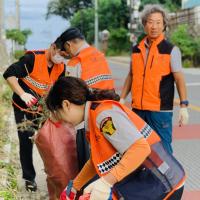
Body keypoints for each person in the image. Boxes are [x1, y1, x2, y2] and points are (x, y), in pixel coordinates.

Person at [45, 76, 185, 200]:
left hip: (162, 183)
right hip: (152, 181)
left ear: (66, 105)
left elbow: (140, 148)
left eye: (58, 115)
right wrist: (75, 186)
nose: (61, 122)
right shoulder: (93, 116)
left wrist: (106, 182)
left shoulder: (103, 117)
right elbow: (96, 159)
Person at [120, 4, 189, 154]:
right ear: (144, 24)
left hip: (160, 111)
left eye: (158, 22)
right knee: (139, 151)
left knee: (163, 151)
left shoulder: (170, 50)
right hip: (138, 109)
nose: (154, 26)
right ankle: (145, 178)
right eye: (150, 22)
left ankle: (171, 178)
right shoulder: (136, 50)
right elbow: (131, 75)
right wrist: (122, 98)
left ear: (164, 25)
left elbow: (179, 79)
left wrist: (184, 105)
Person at [3, 41, 65, 192]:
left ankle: (54, 176)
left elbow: (58, 88)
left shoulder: (61, 67)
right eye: (59, 53)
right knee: (26, 141)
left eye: (64, 56)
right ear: (53, 47)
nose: (60, 58)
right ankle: (29, 178)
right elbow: (9, 74)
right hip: (23, 107)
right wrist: (22, 94)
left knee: (49, 141)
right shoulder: (33, 59)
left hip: (43, 110)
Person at [55, 27, 115, 170]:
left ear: (69, 45)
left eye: (66, 50)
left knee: (87, 164)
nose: (67, 54)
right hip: (108, 113)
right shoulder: (99, 55)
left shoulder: (76, 62)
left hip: (85, 121)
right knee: (107, 159)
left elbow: (69, 96)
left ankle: (86, 190)